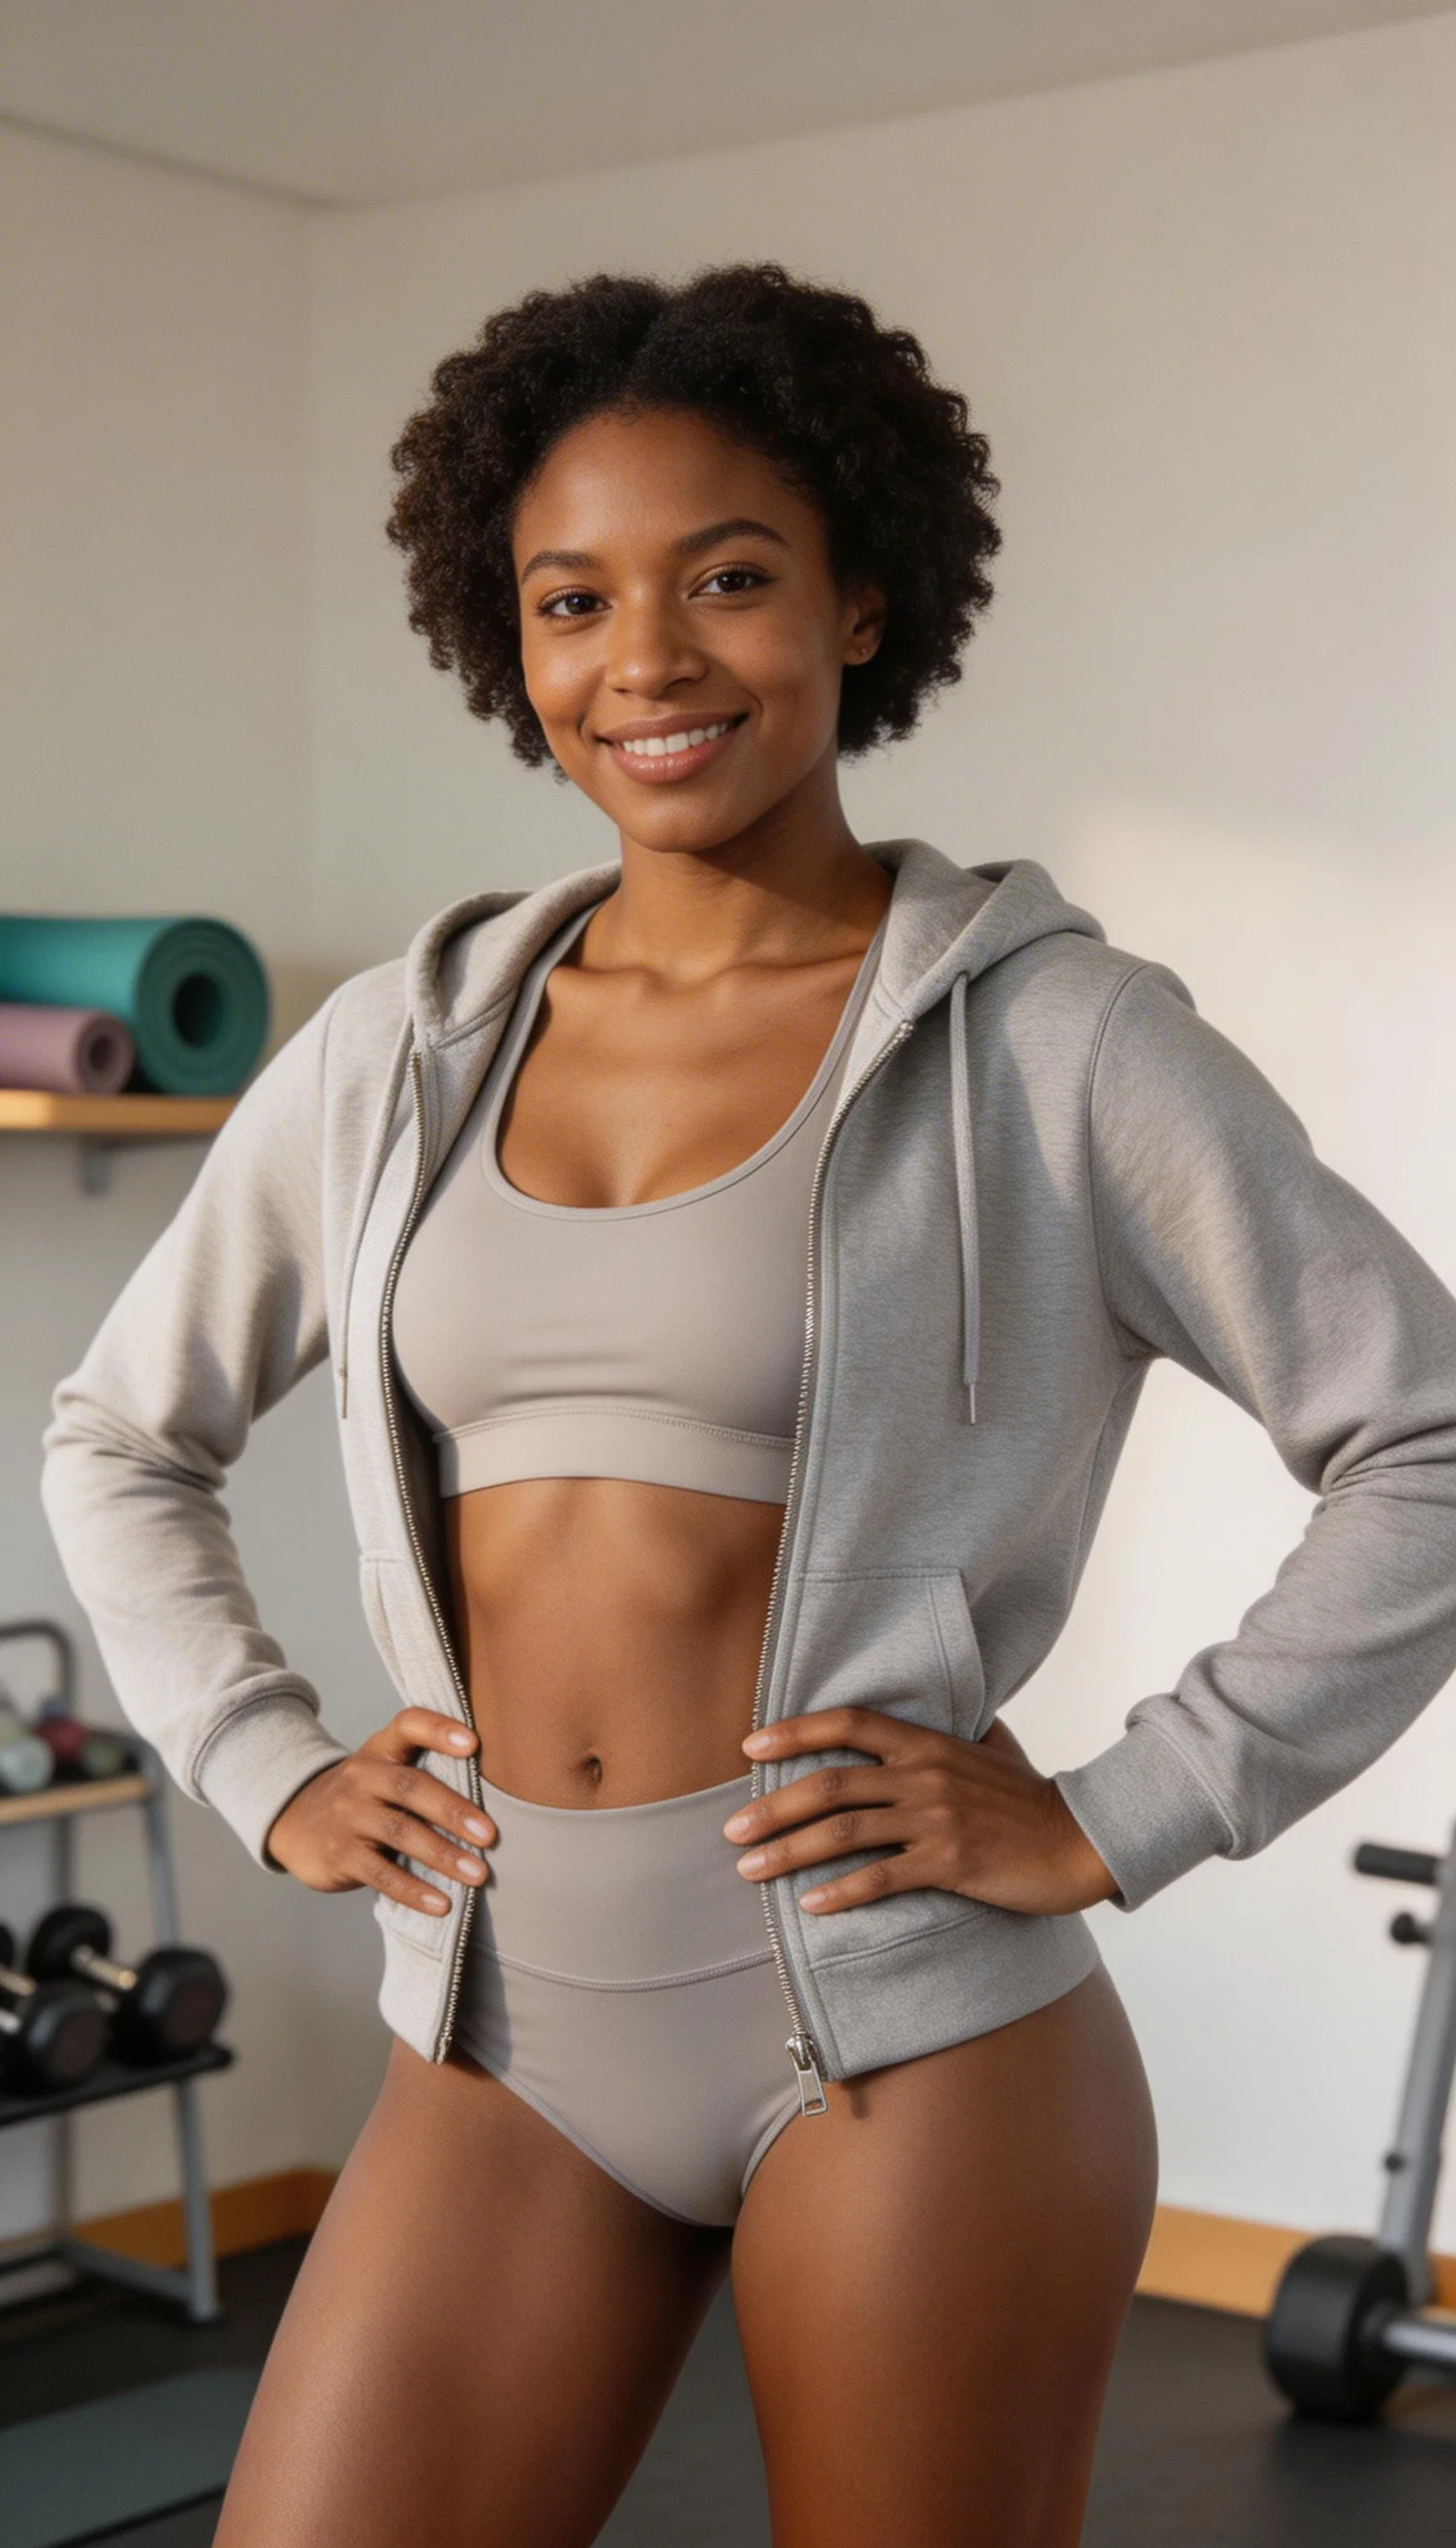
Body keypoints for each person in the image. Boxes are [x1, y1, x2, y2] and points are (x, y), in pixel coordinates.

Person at [42, 265, 1456, 2548]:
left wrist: (1120, 1809)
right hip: (502, 2023)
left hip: (905, 2047)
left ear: (861, 596)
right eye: (570, 600)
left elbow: (1426, 1436)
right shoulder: (397, 1055)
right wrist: (262, 1762)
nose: (649, 663)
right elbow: (117, 1432)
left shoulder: (1058, 1044)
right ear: (508, 647)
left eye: (726, 579)